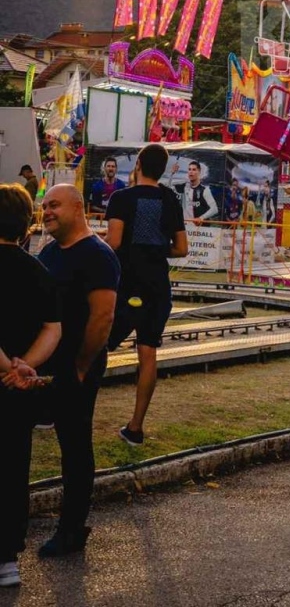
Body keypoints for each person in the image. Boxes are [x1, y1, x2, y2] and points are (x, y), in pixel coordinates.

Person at [37, 185, 120, 558]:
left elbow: (103, 316)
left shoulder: (97, 255)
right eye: (43, 206)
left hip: (75, 366)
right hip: (43, 364)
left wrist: (82, 364)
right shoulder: (51, 251)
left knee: (73, 446)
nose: (46, 211)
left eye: (54, 205)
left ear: (77, 208)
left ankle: (71, 529)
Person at [105, 143, 188, 445]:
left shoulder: (121, 198)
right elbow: (181, 248)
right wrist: (155, 249)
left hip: (127, 283)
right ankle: (136, 427)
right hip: (157, 285)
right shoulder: (171, 200)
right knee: (148, 352)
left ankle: (57, 407)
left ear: (138, 164)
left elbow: (113, 242)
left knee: (97, 344)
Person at [0, 184, 61, 589]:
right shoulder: (39, 271)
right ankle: (7, 558)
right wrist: (25, 367)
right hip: (17, 392)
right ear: (27, 226)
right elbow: (52, 328)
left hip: (7, 377)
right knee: (12, 465)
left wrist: (6, 365)